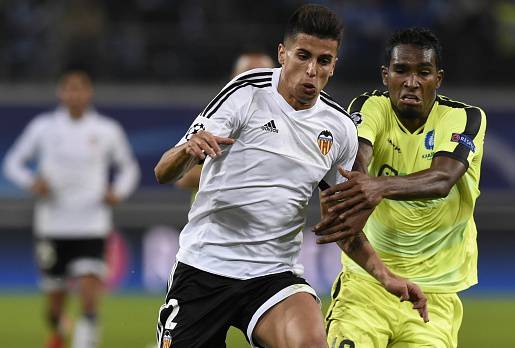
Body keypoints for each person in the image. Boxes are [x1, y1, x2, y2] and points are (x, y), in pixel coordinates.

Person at [154, 5, 427, 348]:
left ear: (334, 65)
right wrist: (187, 151)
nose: (312, 70)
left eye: (324, 61)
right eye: (303, 56)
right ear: (283, 54)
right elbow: (164, 172)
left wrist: (386, 277)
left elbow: (343, 227)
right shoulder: (246, 92)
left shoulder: (340, 129)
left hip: (273, 276)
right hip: (204, 269)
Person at [315, 27, 487, 348]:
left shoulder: (465, 118)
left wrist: (377, 187)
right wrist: (353, 194)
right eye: (401, 70)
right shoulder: (370, 107)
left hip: (434, 296)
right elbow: (357, 163)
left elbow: (443, 178)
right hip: (367, 286)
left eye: (424, 72)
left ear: (438, 78)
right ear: (385, 75)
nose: (411, 82)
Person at [3, 70, 140, 348]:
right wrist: (32, 182)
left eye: (80, 89)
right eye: (69, 89)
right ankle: (59, 328)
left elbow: (129, 168)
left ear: (89, 93)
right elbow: (12, 163)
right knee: (54, 305)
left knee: (89, 294)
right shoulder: (43, 128)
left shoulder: (106, 129)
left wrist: (118, 192)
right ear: (61, 93)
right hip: (53, 225)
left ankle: (84, 342)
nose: (75, 95)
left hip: (91, 224)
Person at [174, 50, 275, 195]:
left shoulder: (287, 121)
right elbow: (183, 178)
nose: (256, 81)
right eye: (248, 74)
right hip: (214, 216)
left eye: (263, 75)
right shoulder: (216, 118)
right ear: (233, 78)